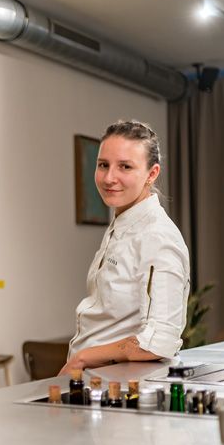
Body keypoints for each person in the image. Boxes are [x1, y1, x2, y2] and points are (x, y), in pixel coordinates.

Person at [60, 120, 190, 375]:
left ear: (152, 174)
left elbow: (159, 342)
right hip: (97, 381)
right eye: (103, 165)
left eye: (125, 167)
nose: (109, 178)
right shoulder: (122, 224)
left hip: (123, 387)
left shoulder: (156, 236)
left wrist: (81, 359)